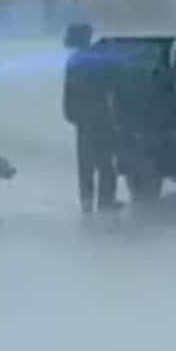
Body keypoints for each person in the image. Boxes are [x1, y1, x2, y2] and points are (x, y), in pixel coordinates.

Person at [63, 23, 120, 214]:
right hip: (101, 116)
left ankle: (87, 201)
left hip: (83, 119)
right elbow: (110, 86)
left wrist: (71, 114)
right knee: (105, 163)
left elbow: (69, 93)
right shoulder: (97, 59)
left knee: (86, 163)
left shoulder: (74, 61)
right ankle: (106, 201)